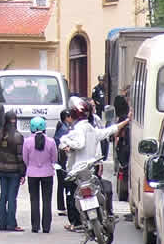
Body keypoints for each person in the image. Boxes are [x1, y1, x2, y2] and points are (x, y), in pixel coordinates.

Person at [59, 97, 131, 231]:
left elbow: (79, 143)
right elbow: (109, 131)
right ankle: (103, 215)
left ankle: (85, 221)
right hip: (88, 171)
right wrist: (126, 121)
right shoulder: (90, 129)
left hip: (80, 173)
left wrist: (67, 144)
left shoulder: (78, 130)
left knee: (91, 194)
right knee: (98, 192)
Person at [22, 116, 58, 233]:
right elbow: (54, 159)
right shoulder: (51, 142)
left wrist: (32, 166)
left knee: (34, 200)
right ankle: (46, 227)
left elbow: (25, 159)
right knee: (47, 200)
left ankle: (35, 226)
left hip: (32, 174)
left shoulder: (27, 142)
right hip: (47, 173)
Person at [0, 110, 26, 232]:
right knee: (12, 197)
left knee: (3, 196)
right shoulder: (18, 137)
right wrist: (23, 172)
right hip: (14, 171)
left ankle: (2, 223)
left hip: (2, 169)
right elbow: (20, 156)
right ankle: (12, 223)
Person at [54, 109, 72, 216]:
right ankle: (65, 206)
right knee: (66, 184)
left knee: (61, 184)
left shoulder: (61, 127)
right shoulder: (64, 130)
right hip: (63, 160)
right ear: (66, 117)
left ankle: (61, 207)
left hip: (59, 161)